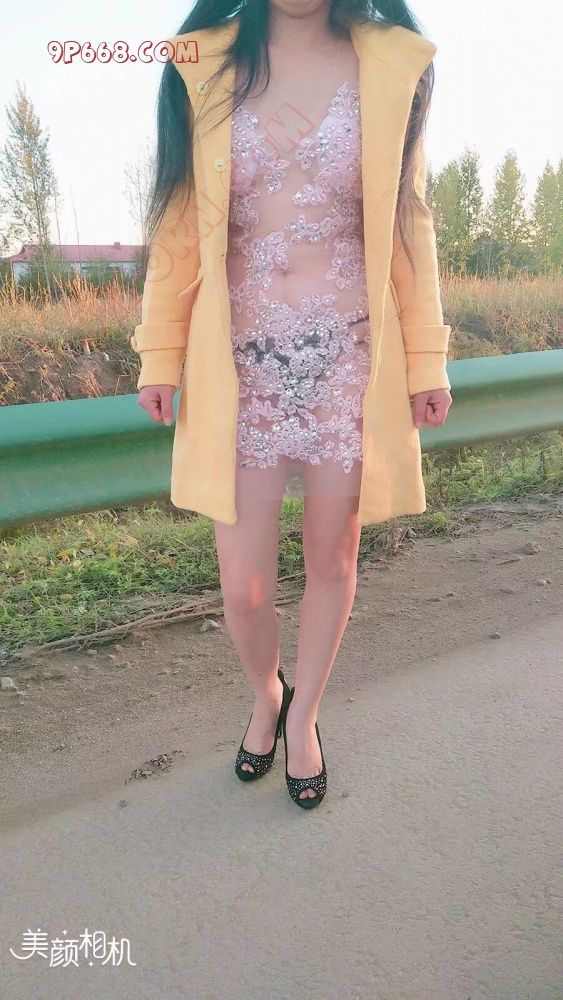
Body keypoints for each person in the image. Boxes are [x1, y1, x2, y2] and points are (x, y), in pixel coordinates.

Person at [134, 0, 453, 810]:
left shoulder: (391, 64)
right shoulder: (202, 63)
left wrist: (426, 361)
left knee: (331, 560)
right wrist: (159, 351)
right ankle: (267, 693)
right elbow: (176, 226)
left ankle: (303, 716)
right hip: (238, 366)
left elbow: (408, 225)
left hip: (349, 358)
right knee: (242, 585)